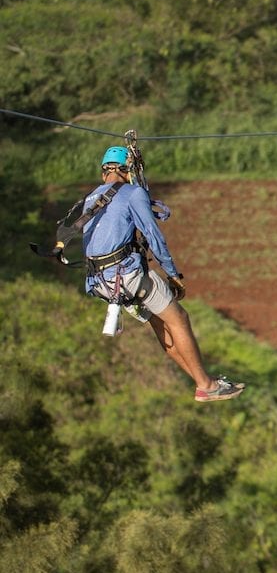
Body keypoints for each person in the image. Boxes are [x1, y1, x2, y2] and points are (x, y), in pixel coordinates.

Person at [82, 145, 246, 402]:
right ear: (129, 172)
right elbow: (153, 237)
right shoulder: (133, 192)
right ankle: (206, 385)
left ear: (104, 173)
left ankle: (203, 382)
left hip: (101, 282)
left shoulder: (90, 198)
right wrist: (173, 273)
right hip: (127, 276)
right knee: (179, 317)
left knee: (160, 322)